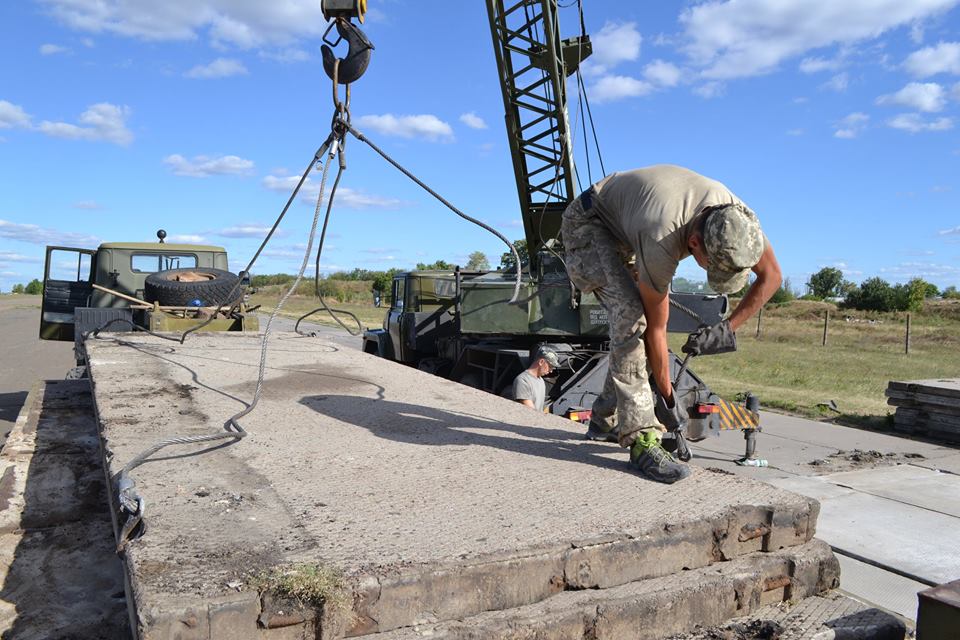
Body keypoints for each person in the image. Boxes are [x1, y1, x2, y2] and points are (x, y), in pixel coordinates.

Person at [561, 165, 781, 484]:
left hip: (627, 222)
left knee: (635, 331)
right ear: (693, 241)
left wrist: (726, 329)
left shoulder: (739, 223)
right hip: (590, 224)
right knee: (631, 317)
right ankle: (641, 441)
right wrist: (666, 398)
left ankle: (603, 422)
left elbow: (771, 276)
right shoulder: (661, 237)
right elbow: (654, 329)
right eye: (712, 268)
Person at [512, 346, 561, 412]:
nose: (551, 370)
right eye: (550, 366)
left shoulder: (541, 380)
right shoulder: (523, 380)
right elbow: (530, 410)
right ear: (541, 362)